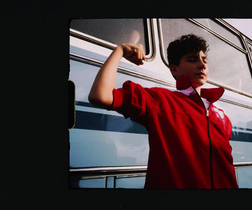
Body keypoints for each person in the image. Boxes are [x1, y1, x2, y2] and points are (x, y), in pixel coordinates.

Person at [89, 34, 238, 189]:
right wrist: (119, 50)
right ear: (174, 69)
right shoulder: (158, 100)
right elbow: (100, 96)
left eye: (205, 60)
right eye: (193, 59)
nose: (202, 65)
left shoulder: (221, 115)